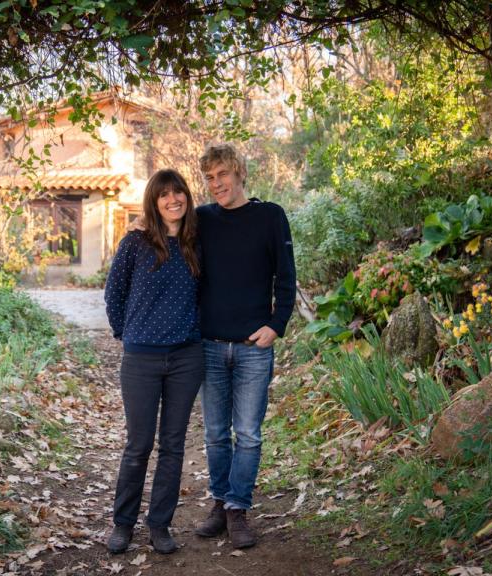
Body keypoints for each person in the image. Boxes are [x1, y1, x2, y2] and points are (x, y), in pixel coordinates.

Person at [191, 143, 296, 549]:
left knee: (248, 434)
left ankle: (238, 509)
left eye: (223, 175)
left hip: (254, 347)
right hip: (210, 345)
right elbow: (171, 244)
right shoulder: (201, 219)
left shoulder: (270, 216)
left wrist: (277, 324)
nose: (217, 183)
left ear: (239, 173)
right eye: (210, 178)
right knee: (216, 434)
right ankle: (219, 503)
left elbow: (286, 278)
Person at [103, 169, 204, 555]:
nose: (172, 199)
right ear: (154, 201)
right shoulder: (136, 243)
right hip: (141, 358)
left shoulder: (197, 243)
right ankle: (122, 524)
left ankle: (160, 525)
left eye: (178, 192)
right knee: (139, 444)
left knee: (173, 445)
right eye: (164, 195)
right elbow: (114, 294)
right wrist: (126, 334)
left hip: (186, 357)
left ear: (186, 198)